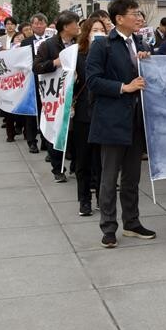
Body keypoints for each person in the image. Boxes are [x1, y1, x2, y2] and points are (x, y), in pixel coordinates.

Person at [86, 0, 156, 248]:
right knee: (109, 177)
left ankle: (132, 223)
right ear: (119, 19)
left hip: (136, 119)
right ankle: (108, 227)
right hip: (112, 120)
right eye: (134, 13)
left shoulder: (140, 43)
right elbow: (93, 81)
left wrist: (146, 62)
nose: (139, 18)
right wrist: (123, 87)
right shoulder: (102, 45)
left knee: (132, 177)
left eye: (139, 14)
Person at [33, 11, 81, 183]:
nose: (78, 27)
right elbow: (36, 67)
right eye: (76, 23)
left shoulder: (80, 44)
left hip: (77, 94)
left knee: (77, 134)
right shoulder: (48, 45)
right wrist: (54, 63)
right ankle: (57, 168)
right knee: (58, 132)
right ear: (66, 27)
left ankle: (76, 166)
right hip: (56, 96)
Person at [71, 18, 107, 216]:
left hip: (103, 114)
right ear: (87, 33)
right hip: (83, 114)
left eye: (102, 29)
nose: (99, 33)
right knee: (83, 161)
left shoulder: (110, 53)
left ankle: (103, 198)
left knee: (101, 162)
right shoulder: (77, 54)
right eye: (95, 30)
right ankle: (84, 200)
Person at [22, 14, 50, 154]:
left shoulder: (51, 40)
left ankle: (46, 141)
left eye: (41, 23)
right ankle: (32, 141)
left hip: (48, 81)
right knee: (32, 112)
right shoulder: (26, 42)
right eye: (36, 24)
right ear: (31, 26)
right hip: (32, 81)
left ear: (46, 24)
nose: (39, 26)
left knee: (47, 111)